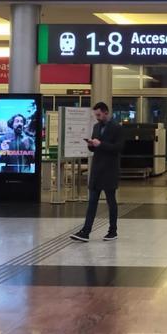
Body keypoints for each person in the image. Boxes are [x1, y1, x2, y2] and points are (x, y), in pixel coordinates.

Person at [71, 102, 124, 242]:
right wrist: (91, 146)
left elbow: (118, 148)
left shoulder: (117, 128)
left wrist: (101, 144)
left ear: (106, 112)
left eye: (99, 115)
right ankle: (85, 231)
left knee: (111, 201)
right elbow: (95, 148)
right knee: (92, 201)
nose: (97, 118)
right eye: (96, 115)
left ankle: (113, 231)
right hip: (97, 169)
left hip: (109, 170)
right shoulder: (96, 127)